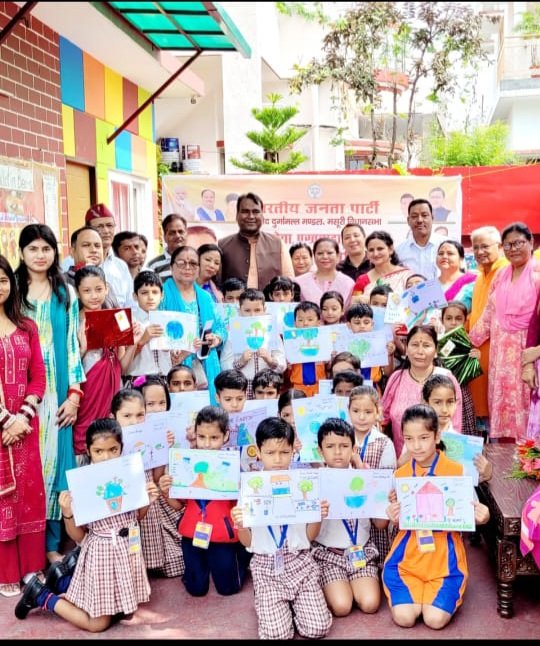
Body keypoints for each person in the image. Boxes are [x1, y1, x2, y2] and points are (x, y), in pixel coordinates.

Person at [14, 418, 159, 632]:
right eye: (99, 451)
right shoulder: (83, 484)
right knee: (97, 624)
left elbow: (136, 518)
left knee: (124, 611)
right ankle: (41, 595)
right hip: (101, 555)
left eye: (113, 450)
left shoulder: (129, 474)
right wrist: (67, 513)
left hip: (128, 549)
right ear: (88, 450)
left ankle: (64, 582)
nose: (106, 457)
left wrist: (146, 500)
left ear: (121, 448)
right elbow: (78, 537)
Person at [382, 404, 489, 630]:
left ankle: (439, 591)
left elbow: (473, 511)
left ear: (437, 436)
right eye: (409, 439)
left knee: (435, 620)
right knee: (405, 618)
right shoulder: (400, 476)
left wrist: (483, 516)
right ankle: (415, 591)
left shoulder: (457, 471)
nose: (416, 446)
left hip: (445, 560)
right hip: (407, 559)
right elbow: (396, 519)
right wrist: (392, 515)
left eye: (423, 437)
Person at [15, 224, 85, 564]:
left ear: (55, 252)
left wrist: (74, 395)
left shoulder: (65, 293)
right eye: (33, 248)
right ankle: (21, 544)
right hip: (19, 395)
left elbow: (71, 346)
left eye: (46, 248)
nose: (40, 255)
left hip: (57, 396)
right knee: (23, 467)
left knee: (55, 466)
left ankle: (51, 544)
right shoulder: (11, 290)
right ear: (22, 252)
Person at [231, 417, 333, 640]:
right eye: (270, 453)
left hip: (300, 563)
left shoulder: (303, 484)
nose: (277, 459)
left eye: (284, 452)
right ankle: (269, 602)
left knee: (317, 629)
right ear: (258, 451)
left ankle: (294, 606)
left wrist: (318, 516)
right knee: (277, 635)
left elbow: (309, 536)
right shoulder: (250, 487)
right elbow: (247, 542)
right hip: (266, 567)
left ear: (293, 451)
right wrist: (241, 525)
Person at [159, 406, 250, 597]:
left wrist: (242, 486)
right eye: (201, 437)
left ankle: (242, 557)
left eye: (214, 438)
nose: (207, 444)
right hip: (193, 534)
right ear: (195, 434)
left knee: (228, 589)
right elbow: (178, 505)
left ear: (226, 436)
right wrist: (166, 492)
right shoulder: (186, 464)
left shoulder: (233, 466)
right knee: (196, 589)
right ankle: (199, 570)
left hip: (223, 536)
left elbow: (243, 507)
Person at [0, 256, 46, 597]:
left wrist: (23, 418)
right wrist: (6, 420)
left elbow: (38, 376)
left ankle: (31, 567)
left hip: (25, 428)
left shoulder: (27, 326)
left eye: (2, 280)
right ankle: (6, 571)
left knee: (30, 495)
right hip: (4, 428)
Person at [469, 222, 540, 442]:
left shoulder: (538, 274)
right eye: (508, 245)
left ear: (531, 242)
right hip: (500, 359)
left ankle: (530, 458)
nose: (513, 249)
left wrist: (536, 353)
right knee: (502, 416)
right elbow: (489, 315)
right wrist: (465, 343)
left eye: (518, 243)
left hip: (528, 356)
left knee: (529, 416)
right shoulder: (501, 276)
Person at [313, 418, 386, 617]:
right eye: (330, 446)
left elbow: (380, 524)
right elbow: (309, 533)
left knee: (370, 604)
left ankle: (354, 582)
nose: (337, 452)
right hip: (329, 555)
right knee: (342, 606)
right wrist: (317, 514)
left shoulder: (366, 479)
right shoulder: (315, 482)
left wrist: (385, 505)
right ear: (320, 451)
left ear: (353, 449)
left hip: (361, 553)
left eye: (344, 446)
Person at [72, 266, 141, 461]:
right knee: (86, 441)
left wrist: (133, 343)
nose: (94, 296)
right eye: (87, 291)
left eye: (98, 289)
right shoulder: (73, 321)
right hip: (86, 395)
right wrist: (83, 349)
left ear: (107, 289)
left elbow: (121, 367)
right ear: (77, 292)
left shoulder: (117, 319)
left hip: (111, 393)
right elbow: (69, 368)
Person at [123, 384, 184, 579]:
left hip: (153, 495)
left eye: (162, 403)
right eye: (150, 404)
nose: (157, 409)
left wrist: (165, 448)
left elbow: (157, 477)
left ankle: (154, 559)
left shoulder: (163, 432)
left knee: (177, 564)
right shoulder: (118, 435)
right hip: (128, 498)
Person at [381, 325, 462, 458]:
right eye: (414, 345)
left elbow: (456, 426)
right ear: (406, 349)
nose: (420, 351)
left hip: (438, 462)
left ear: (435, 351)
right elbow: (382, 419)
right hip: (401, 462)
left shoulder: (447, 379)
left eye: (426, 345)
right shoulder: (396, 378)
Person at [159, 245, 226, 404]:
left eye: (193, 263)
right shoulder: (161, 294)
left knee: (206, 411)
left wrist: (216, 338)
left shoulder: (205, 297)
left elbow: (220, 327)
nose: (188, 267)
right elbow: (156, 329)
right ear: (171, 267)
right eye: (182, 263)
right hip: (174, 364)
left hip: (205, 364)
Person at [467, 226, 508, 433]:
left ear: (499, 246)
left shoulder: (505, 271)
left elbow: (493, 315)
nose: (479, 251)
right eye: (475, 248)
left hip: (495, 351)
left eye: (485, 246)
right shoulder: (480, 275)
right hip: (477, 351)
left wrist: (468, 340)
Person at [219, 192, 295, 289]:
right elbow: (216, 284)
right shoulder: (222, 245)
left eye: (255, 212)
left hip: (269, 299)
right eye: (245, 211)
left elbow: (289, 282)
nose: (251, 216)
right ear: (237, 215)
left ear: (262, 216)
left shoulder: (277, 243)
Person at [220, 288, 286, 398]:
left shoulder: (272, 332)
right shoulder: (233, 334)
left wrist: (269, 360)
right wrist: (241, 362)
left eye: (257, 310)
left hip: (267, 390)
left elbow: (282, 365)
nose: (252, 315)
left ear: (264, 309)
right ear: (239, 310)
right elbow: (225, 366)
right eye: (247, 311)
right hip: (242, 388)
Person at [124, 270, 172, 381]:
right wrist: (142, 340)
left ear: (162, 295)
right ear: (135, 296)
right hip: (138, 379)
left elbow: (173, 359)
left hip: (164, 379)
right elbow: (122, 361)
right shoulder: (129, 321)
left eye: (155, 292)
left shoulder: (168, 320)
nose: (150, 297)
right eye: (144, 293)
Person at [440, 301, 478, 437]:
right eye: (449, 318)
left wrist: (475, 358)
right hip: (441, 393)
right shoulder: (436, 343)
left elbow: (470, 374)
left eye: (458, 319)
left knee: (464, 430)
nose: (453, 322)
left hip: (462, 393)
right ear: (442, 320)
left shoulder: (468, 342)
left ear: (465, 320)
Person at [84, 204, 134, 308]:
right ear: (87, 229)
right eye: (99, 226)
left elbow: (131, 303)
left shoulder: (120, 266)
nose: (106, 231)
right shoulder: (72, 263)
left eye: (110, 225)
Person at [352, 231, 412, 303]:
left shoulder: (406, 276)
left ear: (390, 249)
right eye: (371, 250)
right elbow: (354, 304)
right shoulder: (363, 280)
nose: (375, 254)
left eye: (380, 249)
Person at [295, 237, 355, 308]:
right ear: (314, 256)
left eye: (329, 253)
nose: (325, 257)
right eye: (320, 253)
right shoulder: (299, 282)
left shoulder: (348, 283)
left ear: (338, 256)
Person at [396, 199, 447, 281]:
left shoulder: (447, 246)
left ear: (432, 218)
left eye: (424, 215)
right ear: (408, 221)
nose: (419, 220)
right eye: (414, 216)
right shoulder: (399, 251)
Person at [288, 302, 327, 397]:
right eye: (300, 320)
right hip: (297, 386)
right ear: (295, 323)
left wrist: (330, 359)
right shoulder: (289, 342)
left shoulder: (324, 341)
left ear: (318, 323)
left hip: (320, 387)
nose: (305, 323)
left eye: (310, 320)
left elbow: (329, 366)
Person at [147, 213, 188, 282]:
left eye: (181, 232)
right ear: (165, 237)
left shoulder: (196, 261)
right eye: (172, 233)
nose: (177, 236)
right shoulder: (153, 266)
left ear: (186, 234)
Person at [436, 240, 476, 310]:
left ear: (461, 259)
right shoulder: (429, 287)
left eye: (450, 253)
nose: (444, 256)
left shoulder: (473, 282)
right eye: (441, 253)